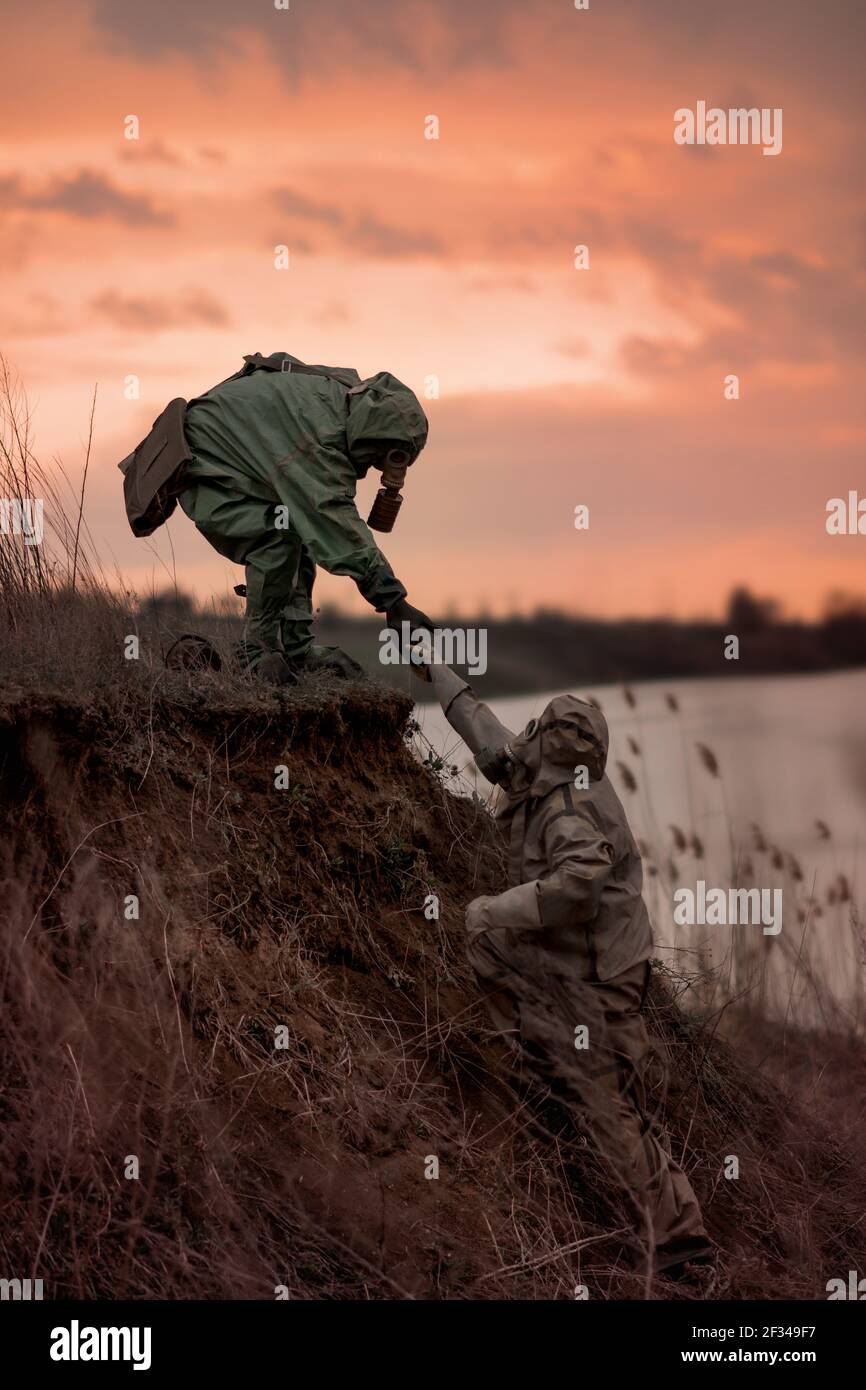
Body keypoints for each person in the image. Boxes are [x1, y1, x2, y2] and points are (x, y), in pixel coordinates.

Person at [416, 656, 713, 1278]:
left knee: (608, 1101)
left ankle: (678, 1237)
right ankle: (530, 1055)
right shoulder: (544, 763)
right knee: (611, 1090)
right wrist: (436, 669)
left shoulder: (569, 807)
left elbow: (578, 885)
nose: (526, 750)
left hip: (604, 967)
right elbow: (487, 733)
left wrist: (494, 906)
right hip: (583, 948)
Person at [119, 352, 433, 683]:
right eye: (376, 460)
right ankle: (256, 654)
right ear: (374, 438)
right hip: (205, 470)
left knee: (295, 524)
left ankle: (298, 651)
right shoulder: (317, 442)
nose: (371, 470)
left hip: (234, 455)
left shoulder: (345, 395)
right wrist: (394, 602)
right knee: (277, 535)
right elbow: (335, 522)